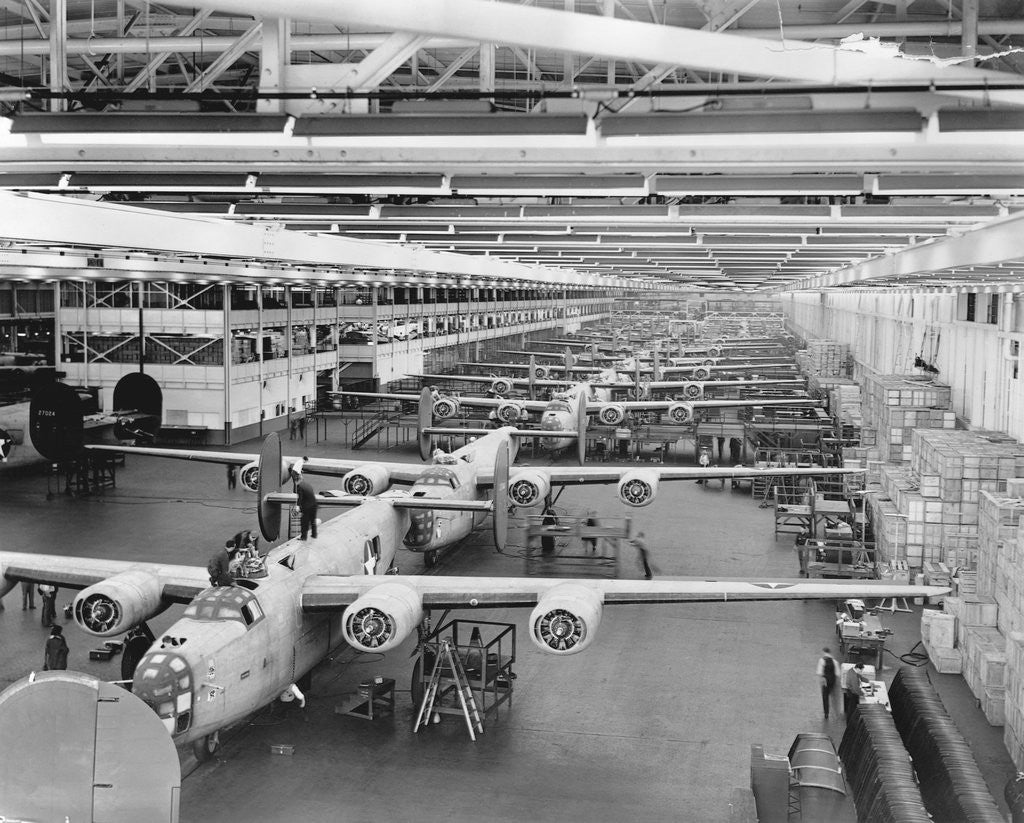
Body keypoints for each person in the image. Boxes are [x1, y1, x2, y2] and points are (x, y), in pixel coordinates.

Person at [816, 647, 839, 720]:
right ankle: (836, 712)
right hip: (832, 681)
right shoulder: (835, 661)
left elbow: (819, 672)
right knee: (833, 696)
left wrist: (822, 679)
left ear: (824, 652)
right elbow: (837, 673)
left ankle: (826, 713)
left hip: (825, 681)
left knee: (825, 697)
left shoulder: (822, 660)